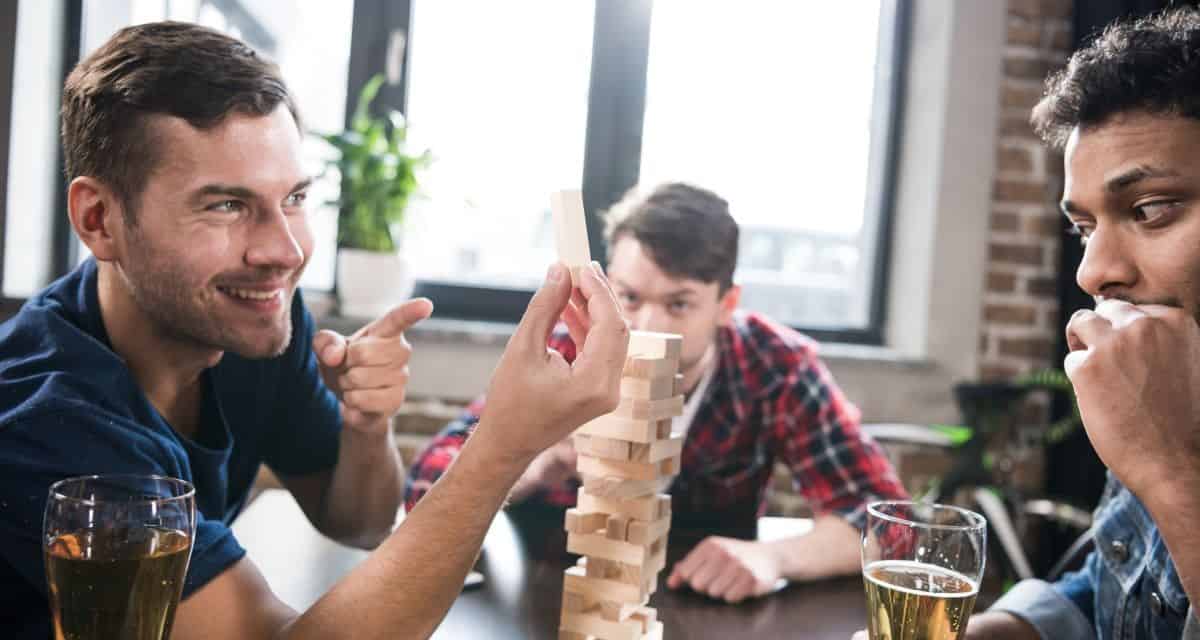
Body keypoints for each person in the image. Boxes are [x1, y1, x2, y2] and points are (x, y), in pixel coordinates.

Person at [0, 22, 631, 639]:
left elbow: (357, 518)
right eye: (226, 205)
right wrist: (504, 446)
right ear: (98, 219)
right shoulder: (44, 422)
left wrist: (366, 425)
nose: (284, 250)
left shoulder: (247, 318)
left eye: (295, 198)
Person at [852, 7, 1200, 640]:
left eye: (1149, 210)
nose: (1093, 273)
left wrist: (1170, 471)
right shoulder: (1163, 379)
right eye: (1084, 228)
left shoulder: (1161, 421)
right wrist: (987, 632)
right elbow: (1120, 583)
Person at [406, 182, 909, 603]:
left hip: (704, 606)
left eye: (679, 304)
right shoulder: (566, 349)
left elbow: (888, 525)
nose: (646, 325)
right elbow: (426, 491)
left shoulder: (775, 367)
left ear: (725, 304)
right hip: (553, 596)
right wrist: (531, 460)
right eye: (629, 297)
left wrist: (775, 557)